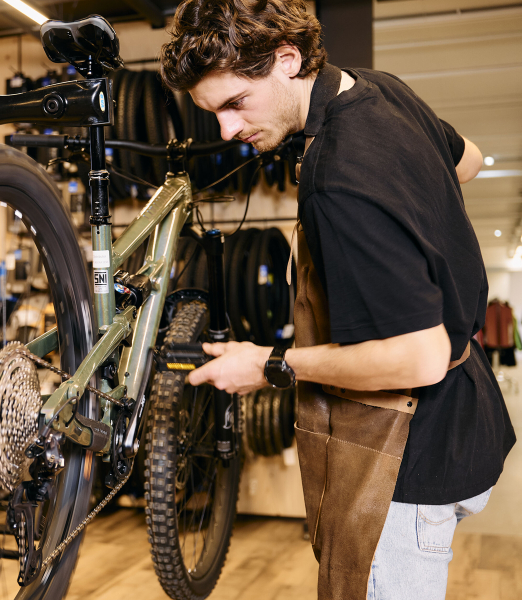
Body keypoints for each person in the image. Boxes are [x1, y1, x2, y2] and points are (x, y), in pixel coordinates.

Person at [158, 1, 516, 598]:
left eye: (235, 104)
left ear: (287, 60)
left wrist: (269, 365)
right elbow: (469, 160)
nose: (225, 131)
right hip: (465, 421)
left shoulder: (336, 176)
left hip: (405, 466)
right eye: (211, 112)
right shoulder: (378, 91)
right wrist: (402, 211)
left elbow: (421, 356)